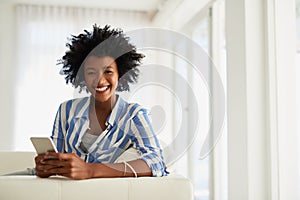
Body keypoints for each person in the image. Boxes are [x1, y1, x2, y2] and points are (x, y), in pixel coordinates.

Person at [34, 24, 168, 180]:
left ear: (120, 74)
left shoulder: (133, 115)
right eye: (91, 72)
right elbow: (56, 159)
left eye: (108, 71)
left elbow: (157, 162)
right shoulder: (66, 110)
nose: (100, 80)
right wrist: (46, 167)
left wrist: (90, 170)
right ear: (83, 76)